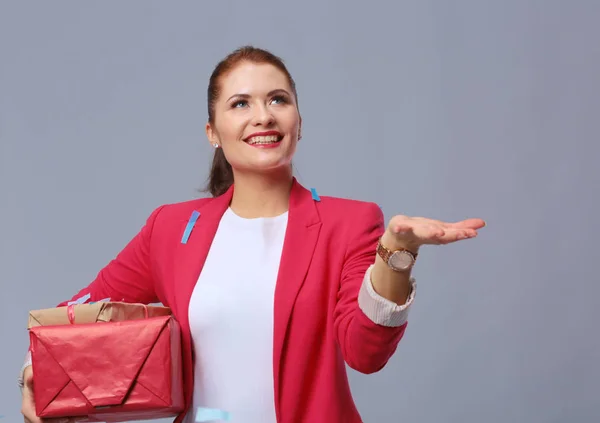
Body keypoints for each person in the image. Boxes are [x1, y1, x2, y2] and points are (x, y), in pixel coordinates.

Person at [19, 46, 485, 423]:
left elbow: (365, 352)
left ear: (299, 123)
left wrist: (397, 253)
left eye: (277, 100)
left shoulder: (351, 222)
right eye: (240, 103)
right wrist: (34, 374)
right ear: (212, 132)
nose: (262, 116)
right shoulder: (171, 228)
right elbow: (77, 312)